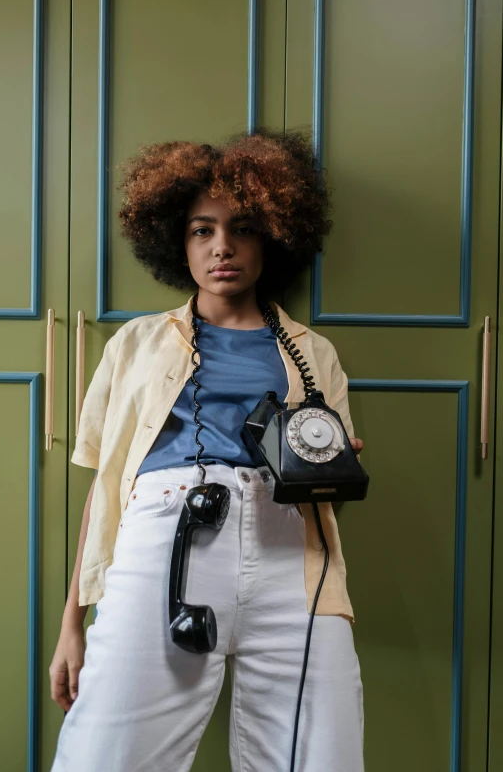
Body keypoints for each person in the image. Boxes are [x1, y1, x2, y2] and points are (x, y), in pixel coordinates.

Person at [49, 128, 365, 772]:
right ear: (176, 241)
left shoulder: (315, 353)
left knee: (322, 752)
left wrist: (333, 466)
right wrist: (72, 626)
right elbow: (107, 491)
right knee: (106, 753)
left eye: (242, 227)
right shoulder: (132, 344)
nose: (222, 247)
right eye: (202, 230)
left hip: (292, 556)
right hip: (160, 540)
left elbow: (332, 499)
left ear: (272, 236)